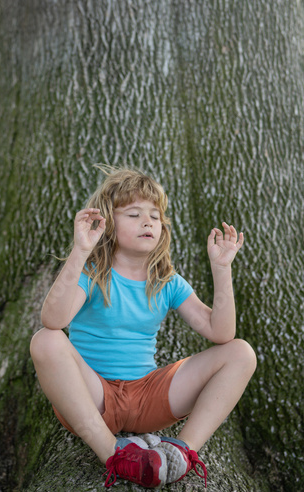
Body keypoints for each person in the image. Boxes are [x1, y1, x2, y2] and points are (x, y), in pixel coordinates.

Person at [30, 165, 256, 489]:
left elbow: (220, 333)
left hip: (148, 397)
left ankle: (182, 451)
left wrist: (221, 269)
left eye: (154, 215)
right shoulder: (94, 273)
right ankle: (112, 452)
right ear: (106, 223)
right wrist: (80, 251)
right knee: (45, 341)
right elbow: (54, 320)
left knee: (241, 353)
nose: (148, 221)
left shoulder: (167, 282)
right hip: (92, 397)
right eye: (134, 214)